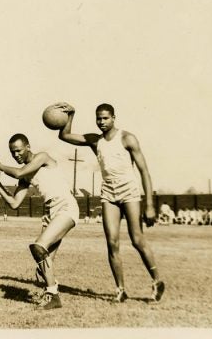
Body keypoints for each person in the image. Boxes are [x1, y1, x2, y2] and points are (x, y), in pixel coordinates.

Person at [56, 102, 165, 303]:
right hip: (109, 193)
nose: (102, 122)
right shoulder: (95, 141)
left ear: (114, 117)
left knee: (137, 240)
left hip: (129, 192)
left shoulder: (127, 138)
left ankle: (157, 281)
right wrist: (71, 115)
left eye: (105, 118)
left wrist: (149, 205)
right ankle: (120, 290)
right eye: (98, 118)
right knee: (112, 242)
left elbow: (144, 172)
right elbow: (64, 135)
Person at [0, 133, 79, 310]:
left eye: (18, 150)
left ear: (28, 147)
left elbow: (18, 172)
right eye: (12, 152)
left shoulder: (42, 157)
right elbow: (14, 203)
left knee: (38, 247)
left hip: (66, 207)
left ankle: (53, 294)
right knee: (43, 266)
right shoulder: (25, 176)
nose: (16, 155)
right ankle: (51, 292)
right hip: (51, 212)